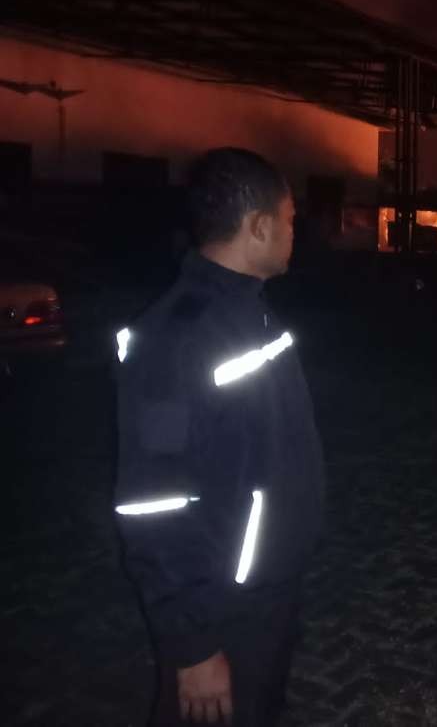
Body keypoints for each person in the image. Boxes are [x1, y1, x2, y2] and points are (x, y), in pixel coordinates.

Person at [113, 148, 325, 726]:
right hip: (221, 606)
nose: (292, 232)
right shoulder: (176, 339)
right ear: (258, 226)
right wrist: (192, 647)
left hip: (266, 592)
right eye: (289, 220)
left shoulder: (251, 312)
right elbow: (152, 504)